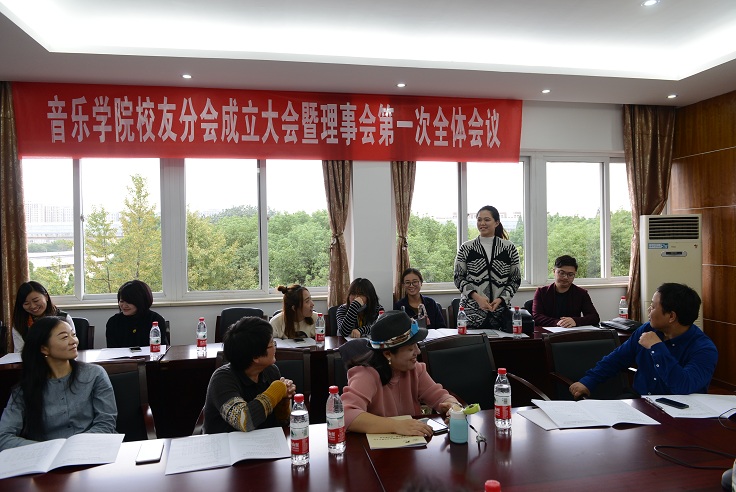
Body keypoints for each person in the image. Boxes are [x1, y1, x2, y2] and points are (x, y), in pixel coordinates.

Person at [569, 283, 718, 399]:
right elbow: (617, 359)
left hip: (680, 411)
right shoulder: (647, 329)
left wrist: (657, 348)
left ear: (671, 316)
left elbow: (683, 386)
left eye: (653, 306)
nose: (649, 310)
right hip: (640, 401)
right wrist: (588, 381)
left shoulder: (704, 349)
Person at [0, 317, 117, 451]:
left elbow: (106, 424)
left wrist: (73, 448)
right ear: (44, 349)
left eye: (73, 335)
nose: (74, 341)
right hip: (45, 456)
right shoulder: (25, 389)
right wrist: (48, 449)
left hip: (91, 450)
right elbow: (4, 437)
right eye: (64, 337)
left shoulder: (94, 374)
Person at [341, 310, 459, 435]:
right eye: (410, 348)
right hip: (373, 446)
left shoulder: (415, 369)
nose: (418, 352)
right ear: (388, 354)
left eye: (416, 345)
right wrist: (396, 425)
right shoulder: (366, 375)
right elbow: (346, 415)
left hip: (412, 444)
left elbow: (439, 396)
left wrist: (453, 406)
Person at [202, 317, 296, 434]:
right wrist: (278, 389)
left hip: (262, 440)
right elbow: (244, 421)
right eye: (271, 343)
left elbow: (281, 422)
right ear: (255, 357)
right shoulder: (221, 379)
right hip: (225, 443)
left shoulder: (271, 371)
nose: (275, 347)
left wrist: (284, 400)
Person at [453, 205, 521, 330]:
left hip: (500, 312)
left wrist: (501, 299)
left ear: (497, 222)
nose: (482, 223)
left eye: (487, 220)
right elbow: (458, 278)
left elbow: (515, 279)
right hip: (470, 312)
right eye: (479, 220)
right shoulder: (466, 247)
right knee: (472, 342)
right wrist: (477, 298)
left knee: (502, 342)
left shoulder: (509, 248)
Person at [532, 255, 600, 328]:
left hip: (572, 332)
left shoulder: (581, 293)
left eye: (570, 274)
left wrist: (575, 321)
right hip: (547, 332)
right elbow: (536, 317)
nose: (565, 277)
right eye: (562, 273)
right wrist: (558, 322)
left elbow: (594, 317)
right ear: (554, 271)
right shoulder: (541, 292)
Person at [12, 281, 74, 353]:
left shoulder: (64, 318)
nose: (33, 306)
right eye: (26, 303)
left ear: (46, 297)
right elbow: (19, 352)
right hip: (32, 359)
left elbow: (71, 345)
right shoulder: (19, 324)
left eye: (36, 301)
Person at [106, 280, 168, 348]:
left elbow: (162, 349)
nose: (124, 305)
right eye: (122, 301)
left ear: (141, 301)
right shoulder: (113, 322)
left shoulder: (156, 320)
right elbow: (111, 350)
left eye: (129, 302)